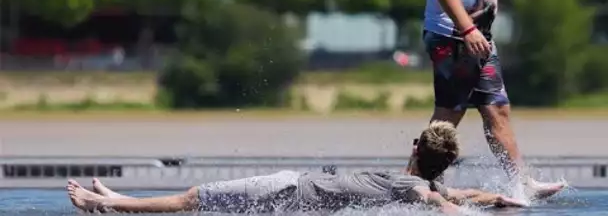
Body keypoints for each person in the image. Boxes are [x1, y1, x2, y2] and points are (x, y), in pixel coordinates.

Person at [67, 121, 530, 214]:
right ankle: (116, 202)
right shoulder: (420, 189)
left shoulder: (409, 185)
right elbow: (455, 198)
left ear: (415, 148)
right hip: (290, 195)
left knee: (195, 198)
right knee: (198, 202)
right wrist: (501, 200)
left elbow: (444, 204)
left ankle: (106, 204)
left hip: (286, 189)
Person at [422, 0, 565, 196]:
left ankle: (521, 182)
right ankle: (417, 180)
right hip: (454, 35)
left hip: (480, 37)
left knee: (497, 108)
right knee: (449, 112)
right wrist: (467, 29)